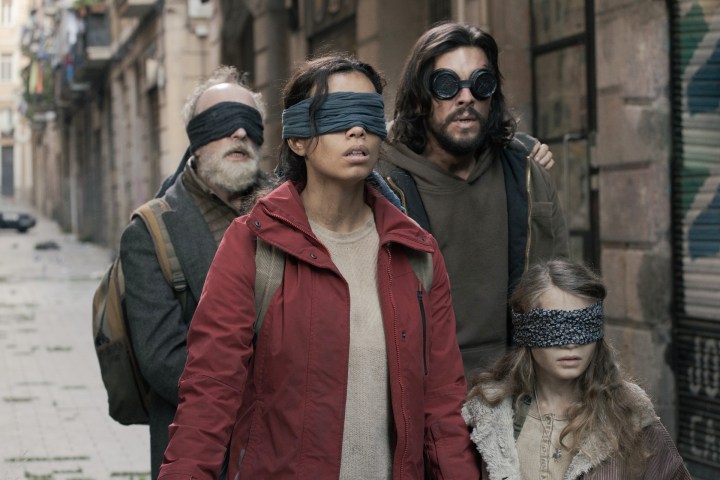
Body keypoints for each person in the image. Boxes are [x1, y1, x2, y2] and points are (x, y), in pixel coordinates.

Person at [158, 54, 480, 479]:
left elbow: (442, 403)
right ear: (298, 139)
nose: (357, 128)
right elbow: (210, 392)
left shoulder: (416, 252)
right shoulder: (253, 244)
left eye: (368, 113)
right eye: (336, 115)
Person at [378, 22, 570, 378]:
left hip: (516, 391)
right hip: (419, 397)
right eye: (447, 85)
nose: (466, 97)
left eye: (481, 84)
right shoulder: (380, 182)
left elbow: (562, 290)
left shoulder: (526, 172)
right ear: (420, 98)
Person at [119, 66, 273, 479]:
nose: (239, 134)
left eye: (249, 123)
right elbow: (162, 359)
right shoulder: (150, 232)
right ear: (197, 138)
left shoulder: (294, 208)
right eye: (222, 122)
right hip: (203, 452)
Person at [462, 259, 692, 479]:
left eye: (583, 326)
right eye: (555, 327)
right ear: (526, 331)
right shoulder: (488, 415)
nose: (570, 343)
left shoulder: (630, 414)